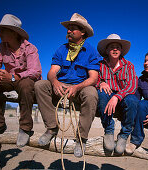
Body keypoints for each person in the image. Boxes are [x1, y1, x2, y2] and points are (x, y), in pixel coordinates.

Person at [34, 13, 100, 158]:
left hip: (80, 86)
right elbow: (52, 72)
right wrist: (55, 82)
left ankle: (81, 138)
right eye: (68, 29)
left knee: (91, 94)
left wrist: (77, 87)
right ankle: (51, 128)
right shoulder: (61, 49)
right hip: (61, 85)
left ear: (82, 32)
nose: (68, 31)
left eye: (73, 28)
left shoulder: (91, 51)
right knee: (40, 85)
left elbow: (93, 78)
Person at [0, 14, 42, 147]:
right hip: (8, 80)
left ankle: (25, 128)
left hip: (23, 80)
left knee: (26, 84)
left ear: (13, 32)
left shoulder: (30, 48)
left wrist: (13, 77)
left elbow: (35, 71)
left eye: (3, 30)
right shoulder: (0, 48)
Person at [96, 34, 138, 154]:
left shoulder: (128, 65)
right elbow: (94, 79)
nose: (115, 49)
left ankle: (124, 135)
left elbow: (132, 85)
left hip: (123, 95)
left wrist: (117, 96)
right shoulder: (100, 65)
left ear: (121, 51)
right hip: (108, 95)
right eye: (112, 47)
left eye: (117, 47)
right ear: (107, 50)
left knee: (133, 100)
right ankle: (109, 131)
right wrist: (101, 83)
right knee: (102, 94)